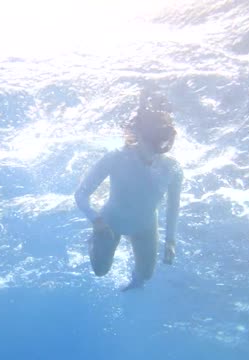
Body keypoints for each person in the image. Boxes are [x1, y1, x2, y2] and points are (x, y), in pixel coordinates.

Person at [74, 91, 183, 291]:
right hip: (109, 223)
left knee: (145, 276)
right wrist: (96, 220)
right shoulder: (115, 157)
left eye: (158, 145)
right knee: (100, 271)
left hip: (145, 225)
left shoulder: (172, 168)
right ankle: (92, 242)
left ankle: (134, 283)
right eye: (150, 143)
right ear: (137, 135)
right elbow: (80, 194)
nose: (153, 153)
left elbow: (173, 207)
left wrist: (170, 241)